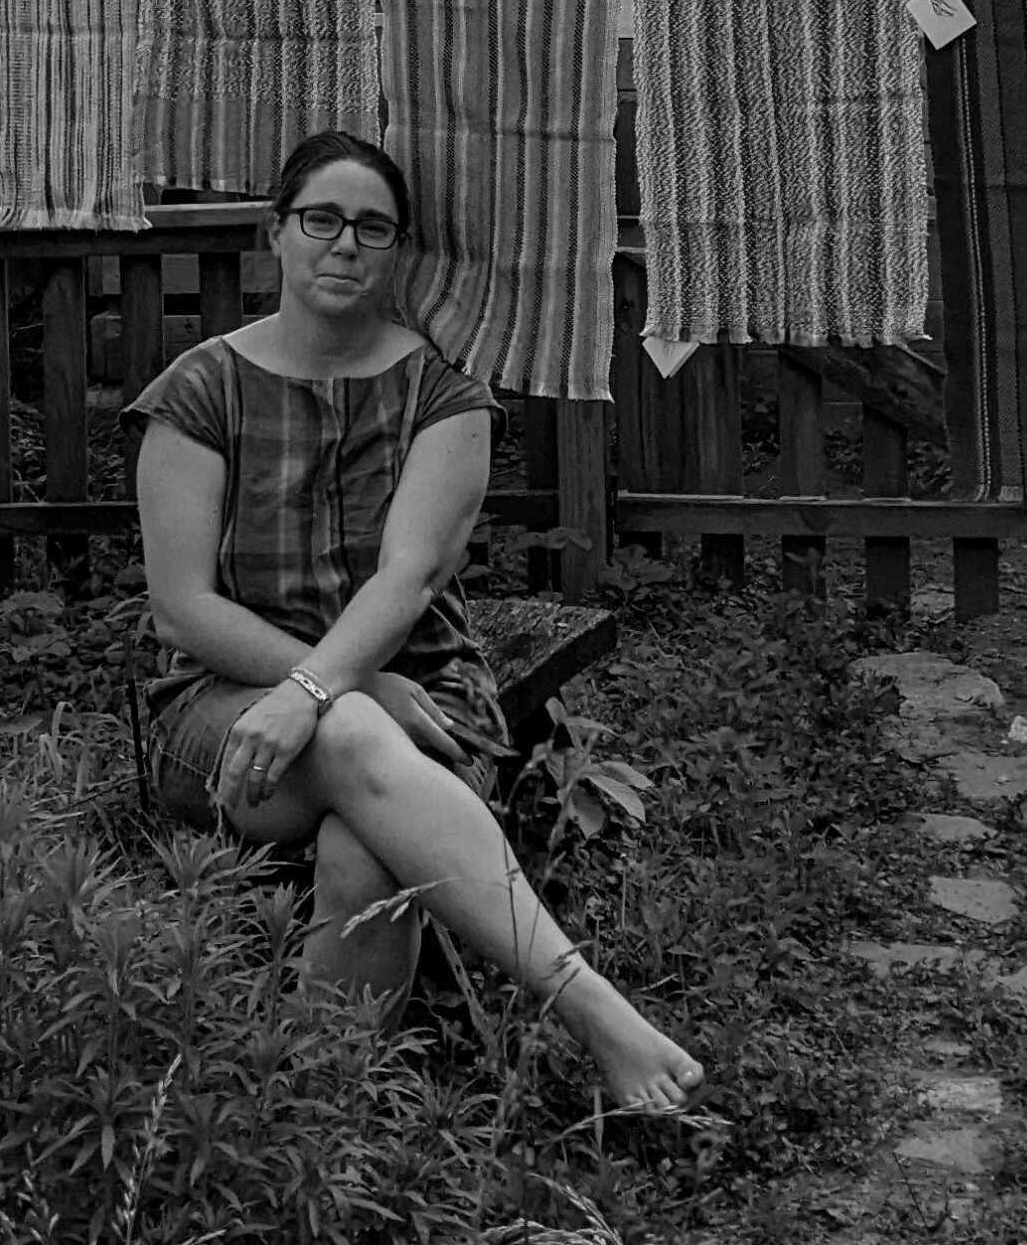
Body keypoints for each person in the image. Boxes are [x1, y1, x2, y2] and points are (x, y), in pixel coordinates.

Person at [126, 130, 705, 1113]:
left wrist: (323, 686)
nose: (344, 244)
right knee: (356, 725)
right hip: (223, 707)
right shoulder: (199, 390)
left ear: (396, 249)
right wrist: (335, 685)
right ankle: (594, 1006)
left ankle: (319, 1117)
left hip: (425, 691)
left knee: (364, 842)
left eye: (372, 227)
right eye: (322, 219)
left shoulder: (442, 392)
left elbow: (411, 575)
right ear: (277, 233)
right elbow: (182, 606)